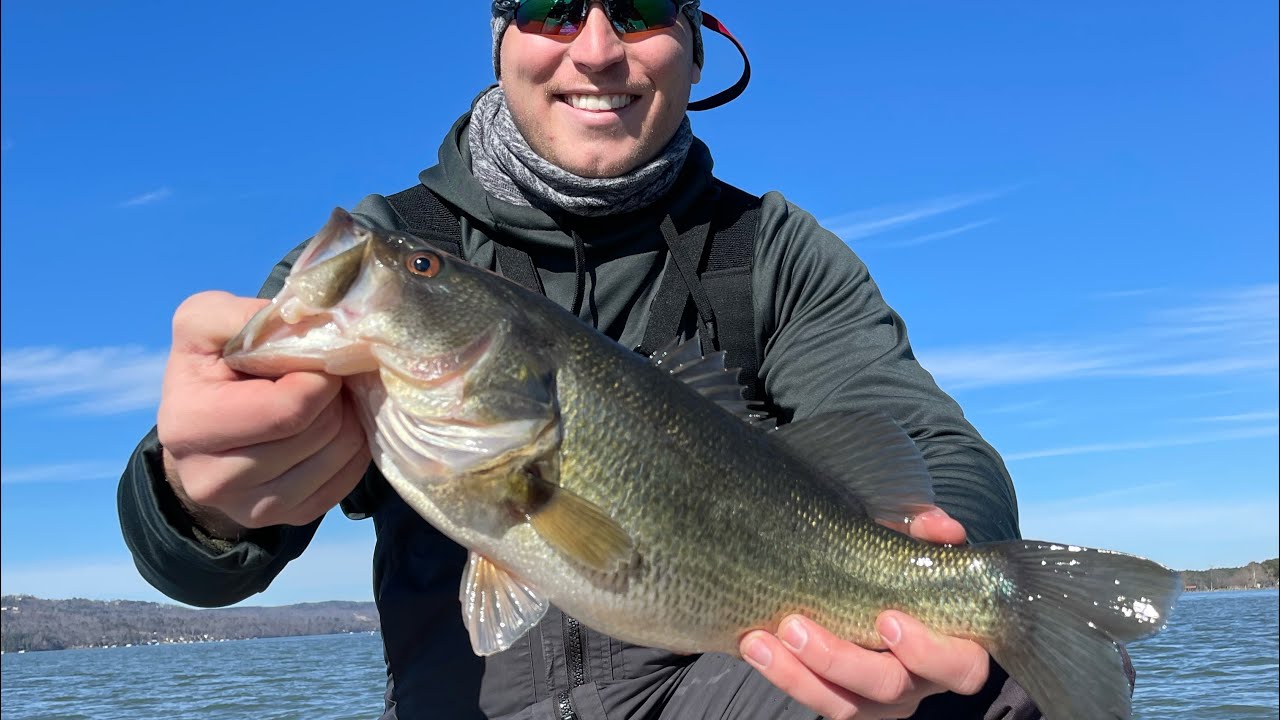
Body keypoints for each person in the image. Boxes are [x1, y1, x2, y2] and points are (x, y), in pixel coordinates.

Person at [118, 2, 1040, 718]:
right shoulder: (391, 253)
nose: (596, 49)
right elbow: (205, 558)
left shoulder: (773, 252)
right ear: (500, 40)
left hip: (736, 688)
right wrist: (195, 500)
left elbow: (924, 440)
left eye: (638, 9)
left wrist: (942, 568)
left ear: (696, 42)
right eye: (552, 6)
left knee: (1000, 685)